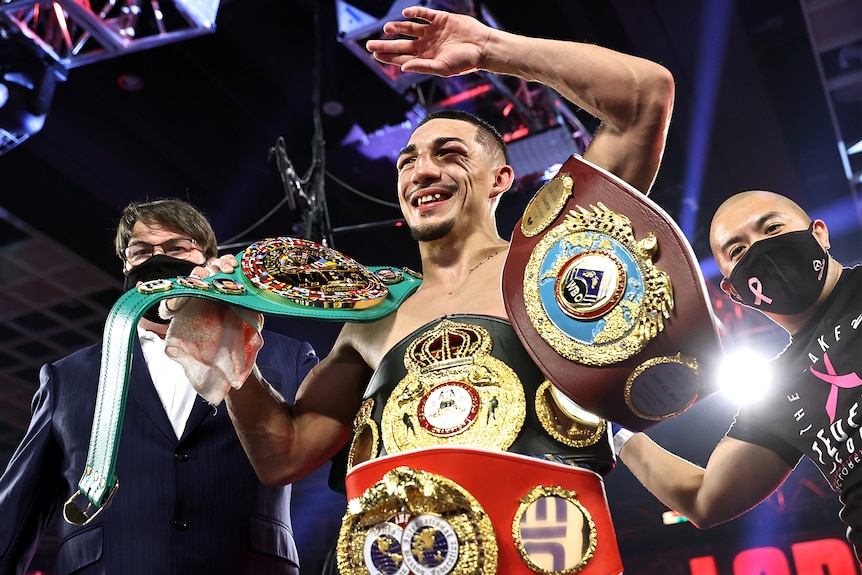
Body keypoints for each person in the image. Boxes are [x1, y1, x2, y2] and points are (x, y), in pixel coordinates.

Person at [163, 5, 675, 572]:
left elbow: (645, 97)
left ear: (500, 180)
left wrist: (489, 48)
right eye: (407, 161)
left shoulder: (551, 265)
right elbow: (281, 453)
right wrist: (228, 337)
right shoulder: (374, 314)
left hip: (537, 552)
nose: (421, 171)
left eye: (449, 155)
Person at [0, 198, 343, 575]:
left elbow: (352, 463)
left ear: (209, 259)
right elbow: (15, 515)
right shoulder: (67, 377)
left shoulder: (286, 356)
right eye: (142, 250)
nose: (157, 259)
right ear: (126, 265)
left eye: (177, 248)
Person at [614, 190, 861, 562]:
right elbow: (703, 499)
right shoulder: (779, 388)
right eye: (738, 251)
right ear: (734, 292)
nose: (761, 250)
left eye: (772, 227)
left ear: (820, 234)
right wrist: (613, 429)